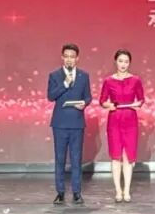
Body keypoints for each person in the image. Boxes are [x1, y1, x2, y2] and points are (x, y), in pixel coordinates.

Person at [96, 49, 144, 202]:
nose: (123, 64)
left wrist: (137, 104)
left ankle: (127, 191)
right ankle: (118, 191)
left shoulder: (136, 80)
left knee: (128, 156)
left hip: (130, 119)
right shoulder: (108, 81)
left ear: (129, 63)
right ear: (115, 61)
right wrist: (108, 105)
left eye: (126, 62)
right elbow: (102, 100)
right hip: (115, 119)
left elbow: (141, 99)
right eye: (120, 61)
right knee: (116, 156)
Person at [47, 43, 92, 205]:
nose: (69, 59)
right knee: (60, 159)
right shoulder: (55, 75)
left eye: (72, 57)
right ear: (62, 57)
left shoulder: (83, 76)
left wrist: (84, 103)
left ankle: (76, 192)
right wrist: (65, 84)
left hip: (77, 123)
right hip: (60, 123)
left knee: (76, 159)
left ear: (77, 58)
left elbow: (88, 96)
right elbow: (51, 96)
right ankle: (60, 192)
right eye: (66, 56)